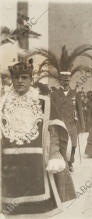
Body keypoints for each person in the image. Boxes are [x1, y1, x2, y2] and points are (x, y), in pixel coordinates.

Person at [1, 59, 76, 215]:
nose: (19, 81)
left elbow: (54, 129)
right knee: (12, 208)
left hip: (37, 164)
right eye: (16, 77)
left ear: (31, 79)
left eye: (24, 77)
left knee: (40, 210)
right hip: (10, 164)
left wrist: (55, 153)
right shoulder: (3, 103)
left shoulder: (44, 103)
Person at [51, 72, 85, 172]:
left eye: (67, 80)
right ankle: (64, 163)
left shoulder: (75, 94)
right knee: (62, 144)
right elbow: (52, 110)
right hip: (60, 123)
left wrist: (82, 124)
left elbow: (80, 110)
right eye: (63, 80)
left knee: (73, 144)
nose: (65, 82)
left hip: (72, 123)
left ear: (69, 80)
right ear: (60, 81)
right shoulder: (54, 94)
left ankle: (70, 162)